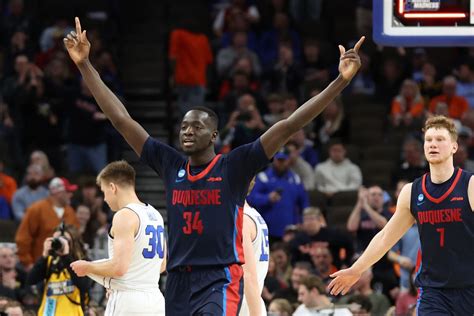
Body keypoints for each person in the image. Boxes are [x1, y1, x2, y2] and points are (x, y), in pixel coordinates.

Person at [64, 17, 364, 315]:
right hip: (179, 280)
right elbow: (121, 120)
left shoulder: (233, 166)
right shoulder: (170, 165)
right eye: (184, 127)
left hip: (219, 279)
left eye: (197, 127)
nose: (188, 131)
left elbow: (287, 126)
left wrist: (340, 81)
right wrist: (84, 65)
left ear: (214, 135)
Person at [329, 116, 474, 315]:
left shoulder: (470, 185)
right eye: (429, 140)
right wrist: (357, 269)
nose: (433, 144)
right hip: (434, 292)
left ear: (454, 147)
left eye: (440, 139)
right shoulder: (411, 192)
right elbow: (385, 237)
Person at [70, 161, 166, 315]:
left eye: (104, 192)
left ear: (112, 188)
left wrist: (87, 267)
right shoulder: (155, 214)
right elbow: (162, 265)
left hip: (129, 302)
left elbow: (119, 268)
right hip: (156, 300)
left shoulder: (124, 215)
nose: (105, 199)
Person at [26, 224, 91, 316]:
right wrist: (44, 256)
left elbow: (85, 286)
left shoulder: (84, 262)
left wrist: (66, 257)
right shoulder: (49, 261)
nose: (59, 243)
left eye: (64, 240)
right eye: (56, 239)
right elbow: (31, 280)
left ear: (73, 242)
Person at [239, 200, 269, 316]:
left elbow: (247, 275)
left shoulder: (241, 220)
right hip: (253, 304)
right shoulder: (254, 214)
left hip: (245, 307)